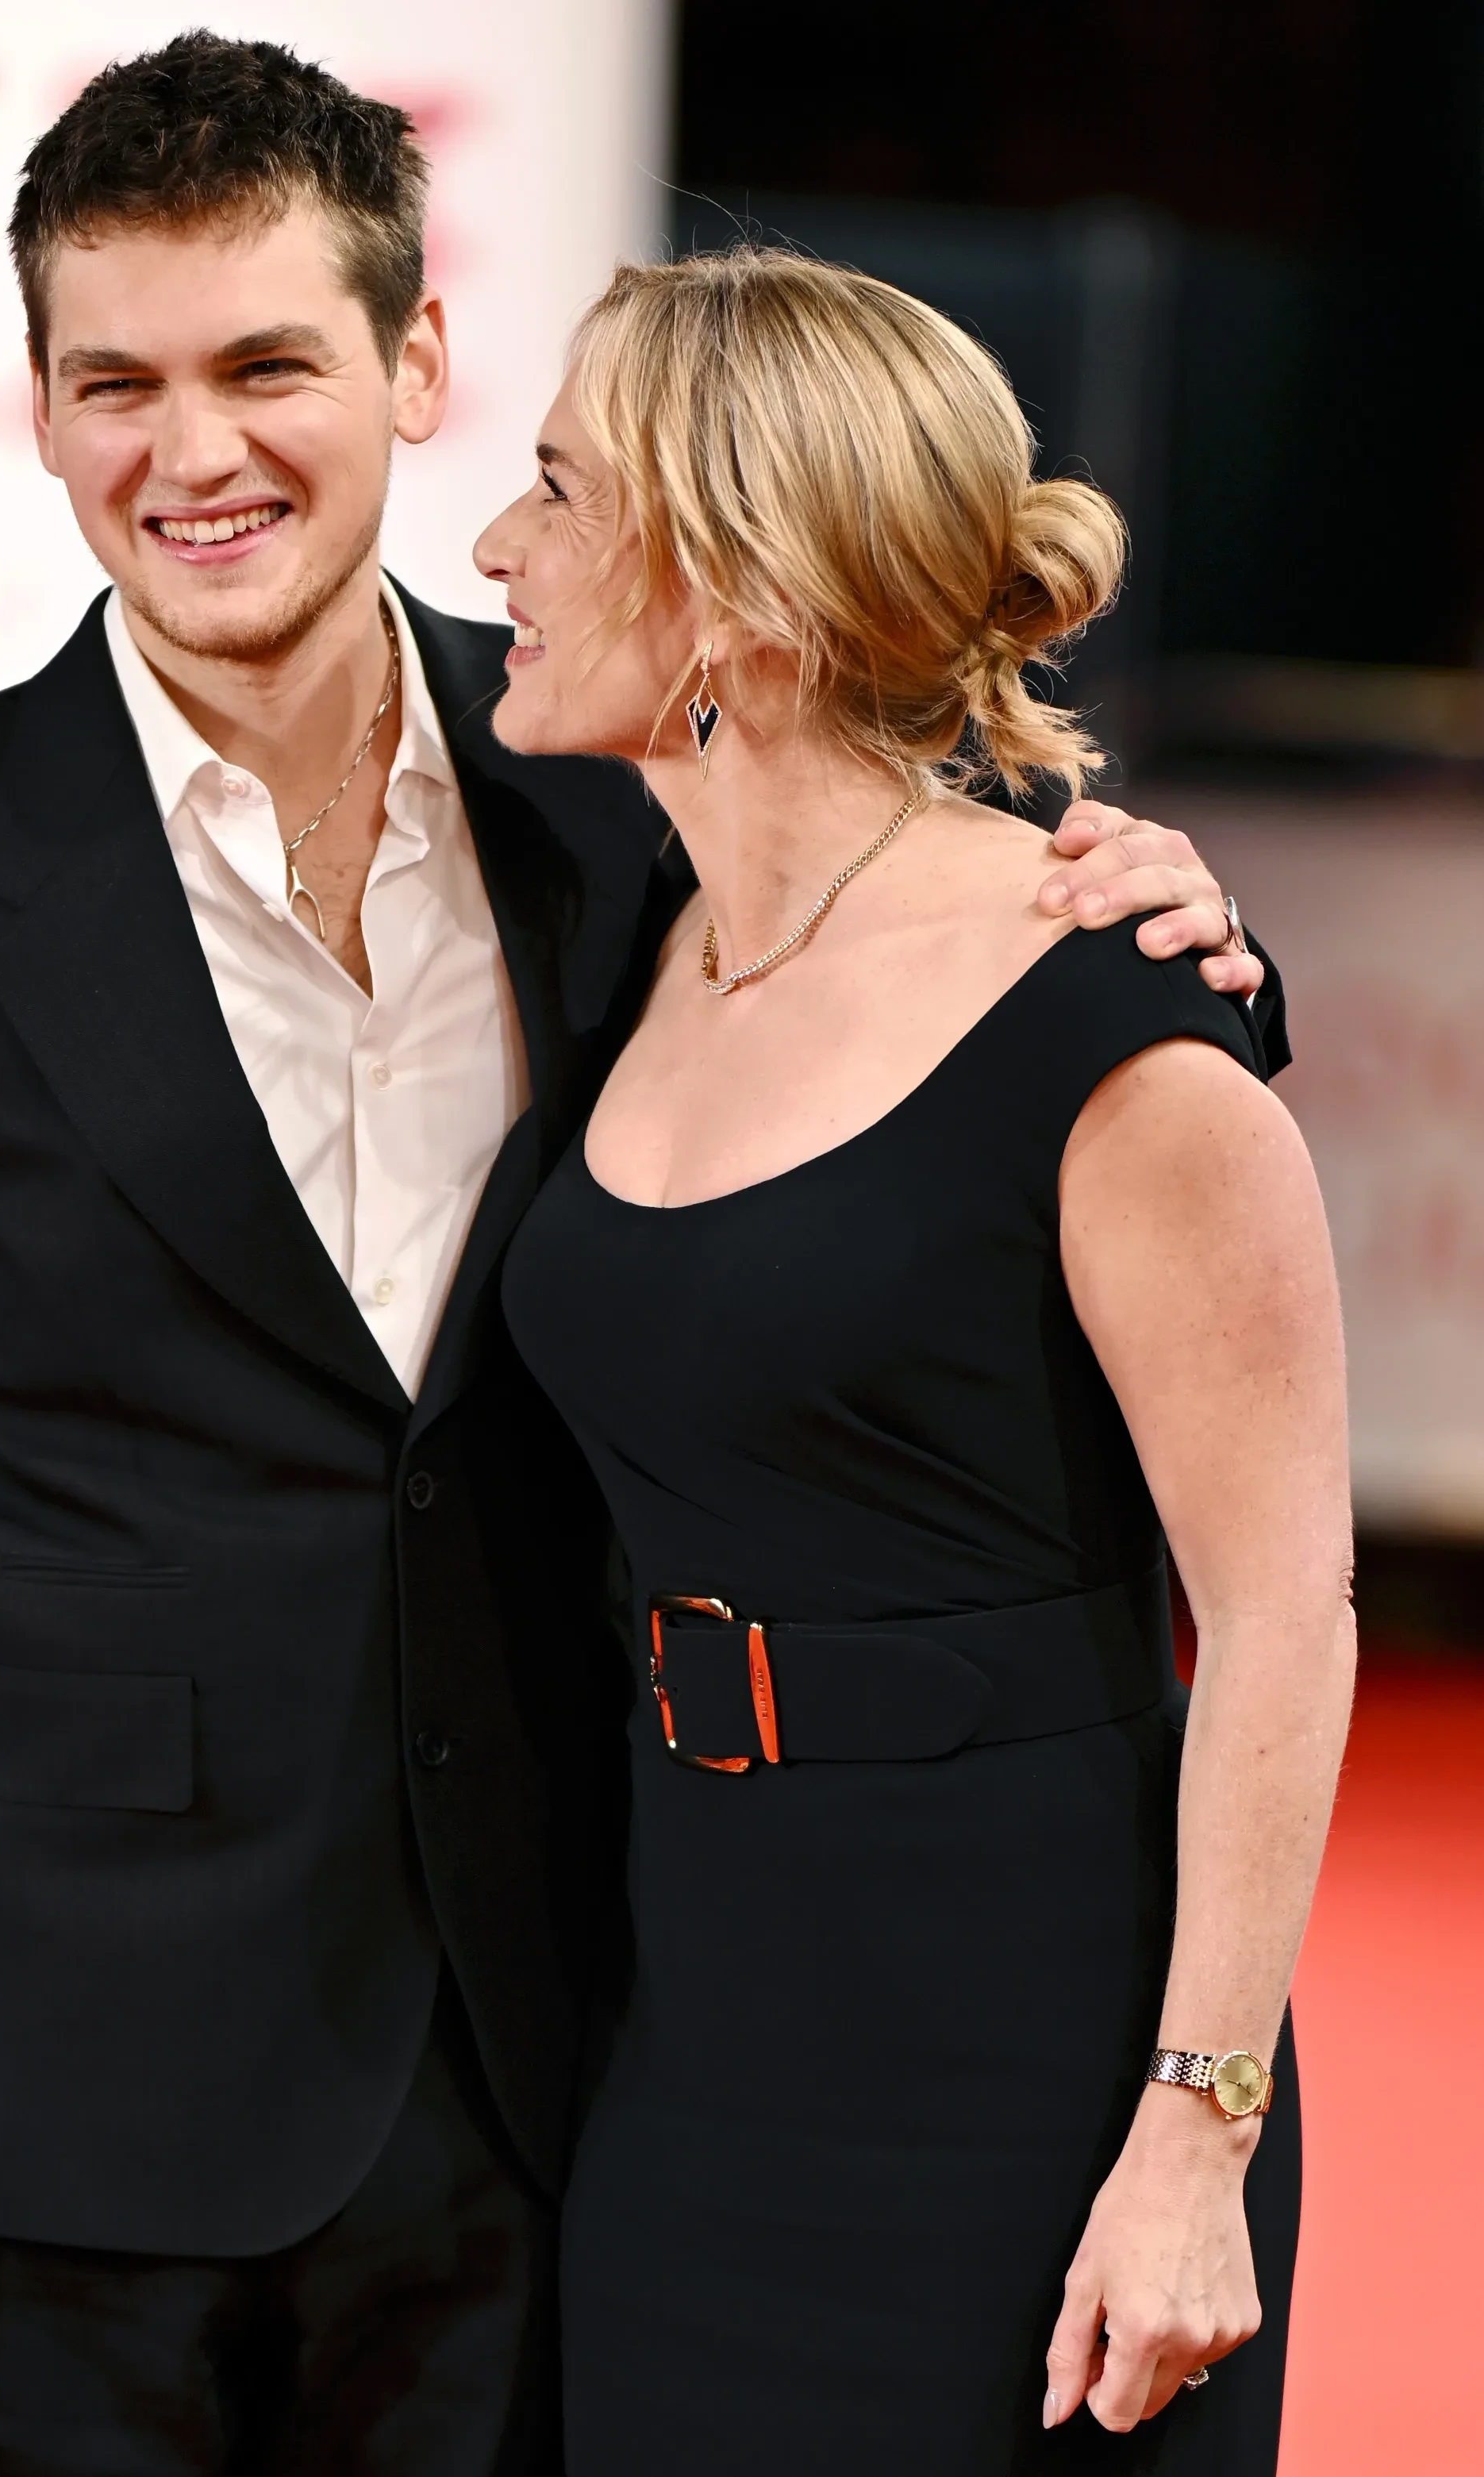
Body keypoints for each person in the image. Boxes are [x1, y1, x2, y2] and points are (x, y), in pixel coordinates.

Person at [0, 34, 1276, 2477]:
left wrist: (1187, 930)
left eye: (265, 367)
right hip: (41, 2099)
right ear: (41, 408)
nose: (192, 453)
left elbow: (944, 960)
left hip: (547, 2064)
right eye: (116, 384)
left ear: (414, 364)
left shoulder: (614, 800)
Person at [491, 251, 1353, 2475]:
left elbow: (1282, 1616)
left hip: (1028, 2066)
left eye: (559, 493)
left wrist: (1197, 2137)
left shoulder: (1112, 1017)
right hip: (690, 2031)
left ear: (732, 594)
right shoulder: (634, 923)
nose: (497, 549)